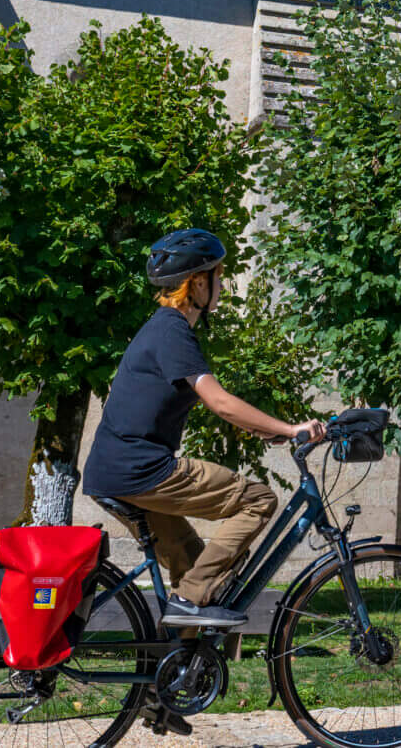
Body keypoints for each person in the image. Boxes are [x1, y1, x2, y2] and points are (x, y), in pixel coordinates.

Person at [82, 228, 327, 630]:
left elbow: (218, 406)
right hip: (142, 471)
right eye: (218, 275)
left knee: (198, 572)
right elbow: (221, 402)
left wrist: (268, 430)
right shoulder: (171, 330)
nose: (222, 284)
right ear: (197, 282)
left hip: (116, 473)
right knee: (258, 500)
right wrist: (289, 426)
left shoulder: (165, 330)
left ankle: (169, 684)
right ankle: (187, 601)